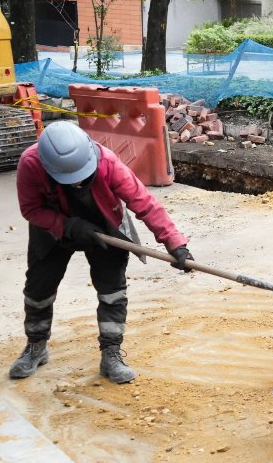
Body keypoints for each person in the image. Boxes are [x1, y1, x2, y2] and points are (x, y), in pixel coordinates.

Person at [12, 122, 193, 384]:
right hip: (52, 229)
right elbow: (31, 209)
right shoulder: (31, 163)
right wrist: (69, 226)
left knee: (112, 292)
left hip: (105, 225)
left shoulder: (107, 162)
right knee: (39, 290)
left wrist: (176, 244)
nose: (78, 182)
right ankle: (36, 347)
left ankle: (111, 354)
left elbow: (144, 203)